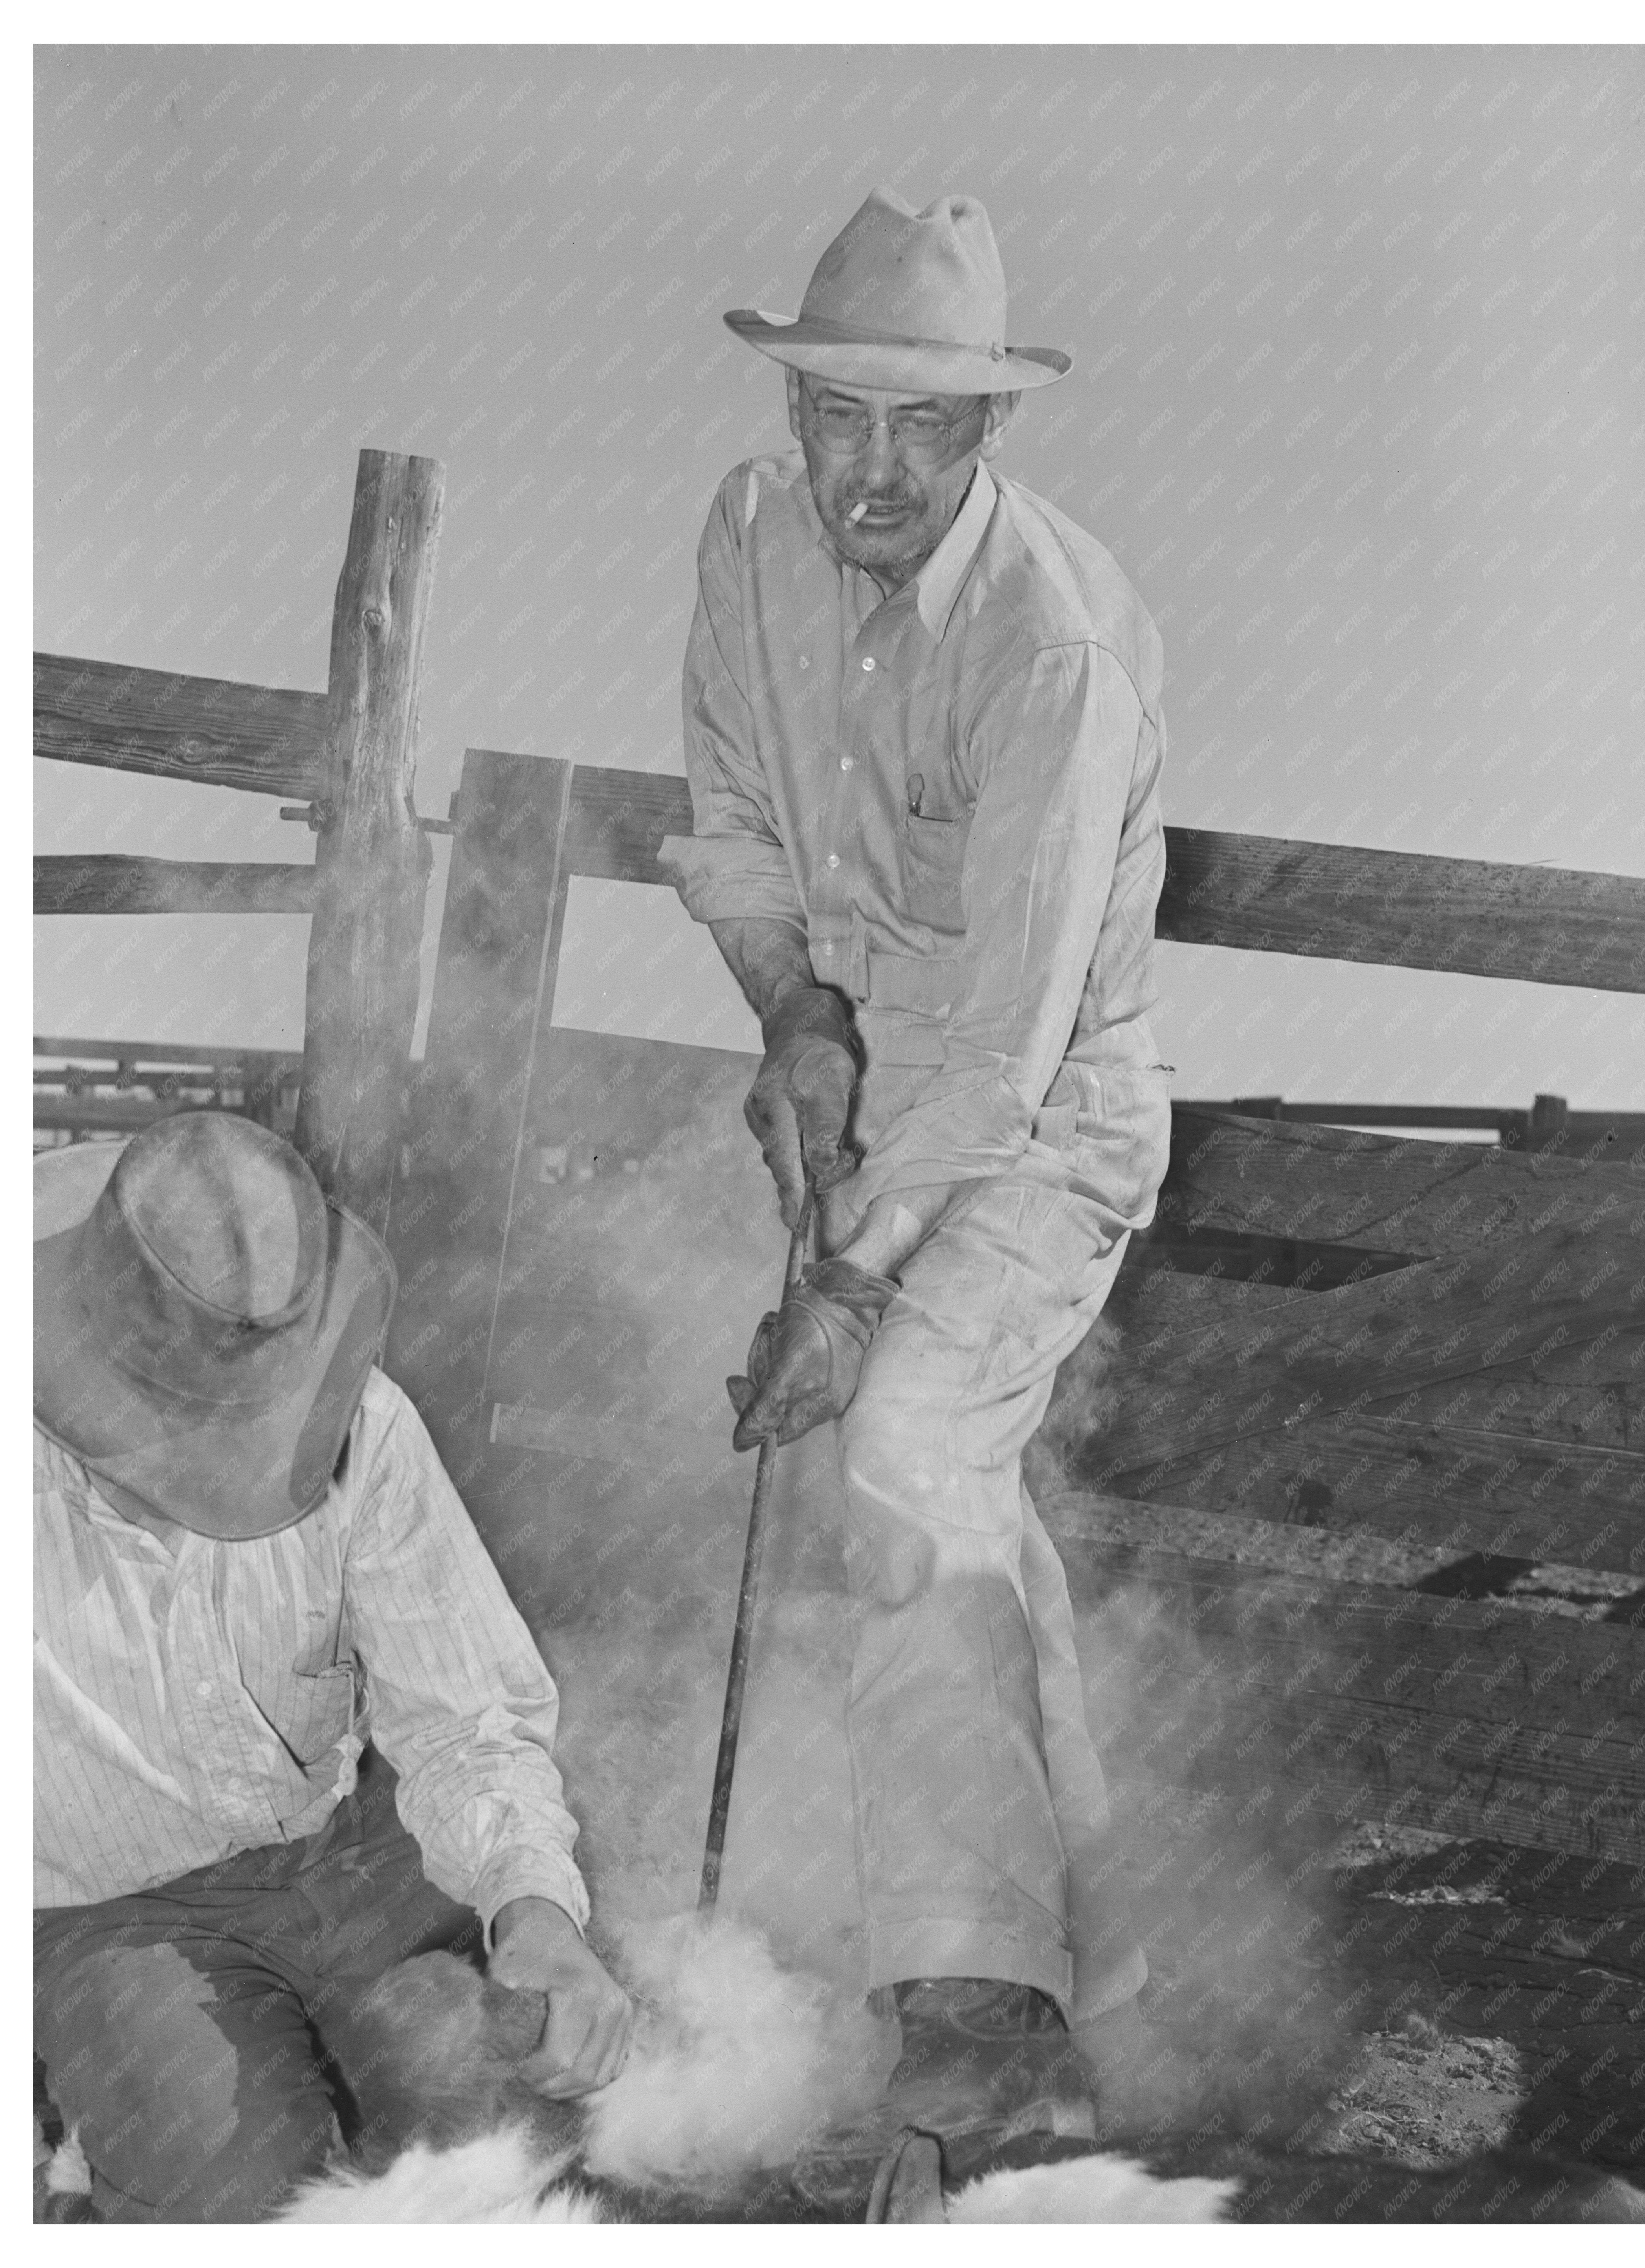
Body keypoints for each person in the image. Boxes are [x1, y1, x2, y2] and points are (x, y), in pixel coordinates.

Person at [659, 187, 1172, 2172]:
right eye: (837, 417)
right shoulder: (743, 531)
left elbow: (1008, 1046)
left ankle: (978, 2026)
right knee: (939, 1487)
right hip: (873, 1075)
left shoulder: (1060, 649)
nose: (867, 470)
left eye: (919, 428)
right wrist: (790, 1006)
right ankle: (1085, 1953)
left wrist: (846, 1275)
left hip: (1046, 1119)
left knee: (897, 1440)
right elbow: (726, 813)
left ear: (990, 432)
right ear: (795, 408)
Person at [32, 1115, 634, 2223]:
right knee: (248, 2205)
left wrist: (535, 1910)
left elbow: (465, 1719)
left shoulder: (362, 1423)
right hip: (114, 1911)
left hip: (354, 1853)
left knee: (546, 2104)